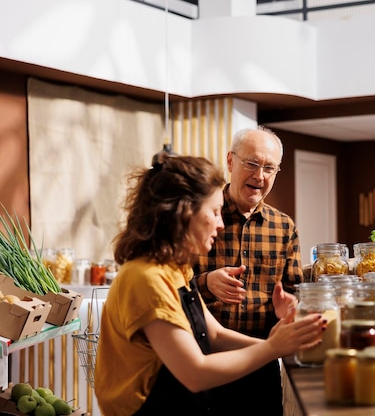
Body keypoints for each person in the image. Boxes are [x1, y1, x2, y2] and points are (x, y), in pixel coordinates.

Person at [94, 153, 325, 416]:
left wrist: (275, 342)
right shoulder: (146, 279)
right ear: (183, 213)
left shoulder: (174, 269)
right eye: (214, 212)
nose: (220, 223)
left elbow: (214, 335)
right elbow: (195, 373)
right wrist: (273, 348)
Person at [194, 126, 302, 415]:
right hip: (202, 363)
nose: (260, 176)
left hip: (259, 366)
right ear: (231, 162)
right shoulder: (202, 217)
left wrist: (289, 307)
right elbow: (170, 286)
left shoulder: (284, 226)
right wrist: (206, 283)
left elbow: (294, 292)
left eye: (269, 168)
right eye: (252, 164)